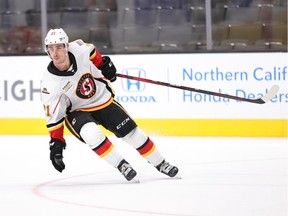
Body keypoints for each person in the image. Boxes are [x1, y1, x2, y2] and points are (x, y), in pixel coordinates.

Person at [40, 28, 179, 181]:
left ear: (66, 46)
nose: (55, 52)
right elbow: (54, 117)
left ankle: (161, 163)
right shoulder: (49, 84)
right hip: (76, 110)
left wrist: (104, 65)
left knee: (133, 134)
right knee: (92, 134)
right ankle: (122, 165)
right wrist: (57, 145)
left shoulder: (78, 49)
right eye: (51, 48)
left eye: (59, 47)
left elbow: (92, 52)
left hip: (100, 99)